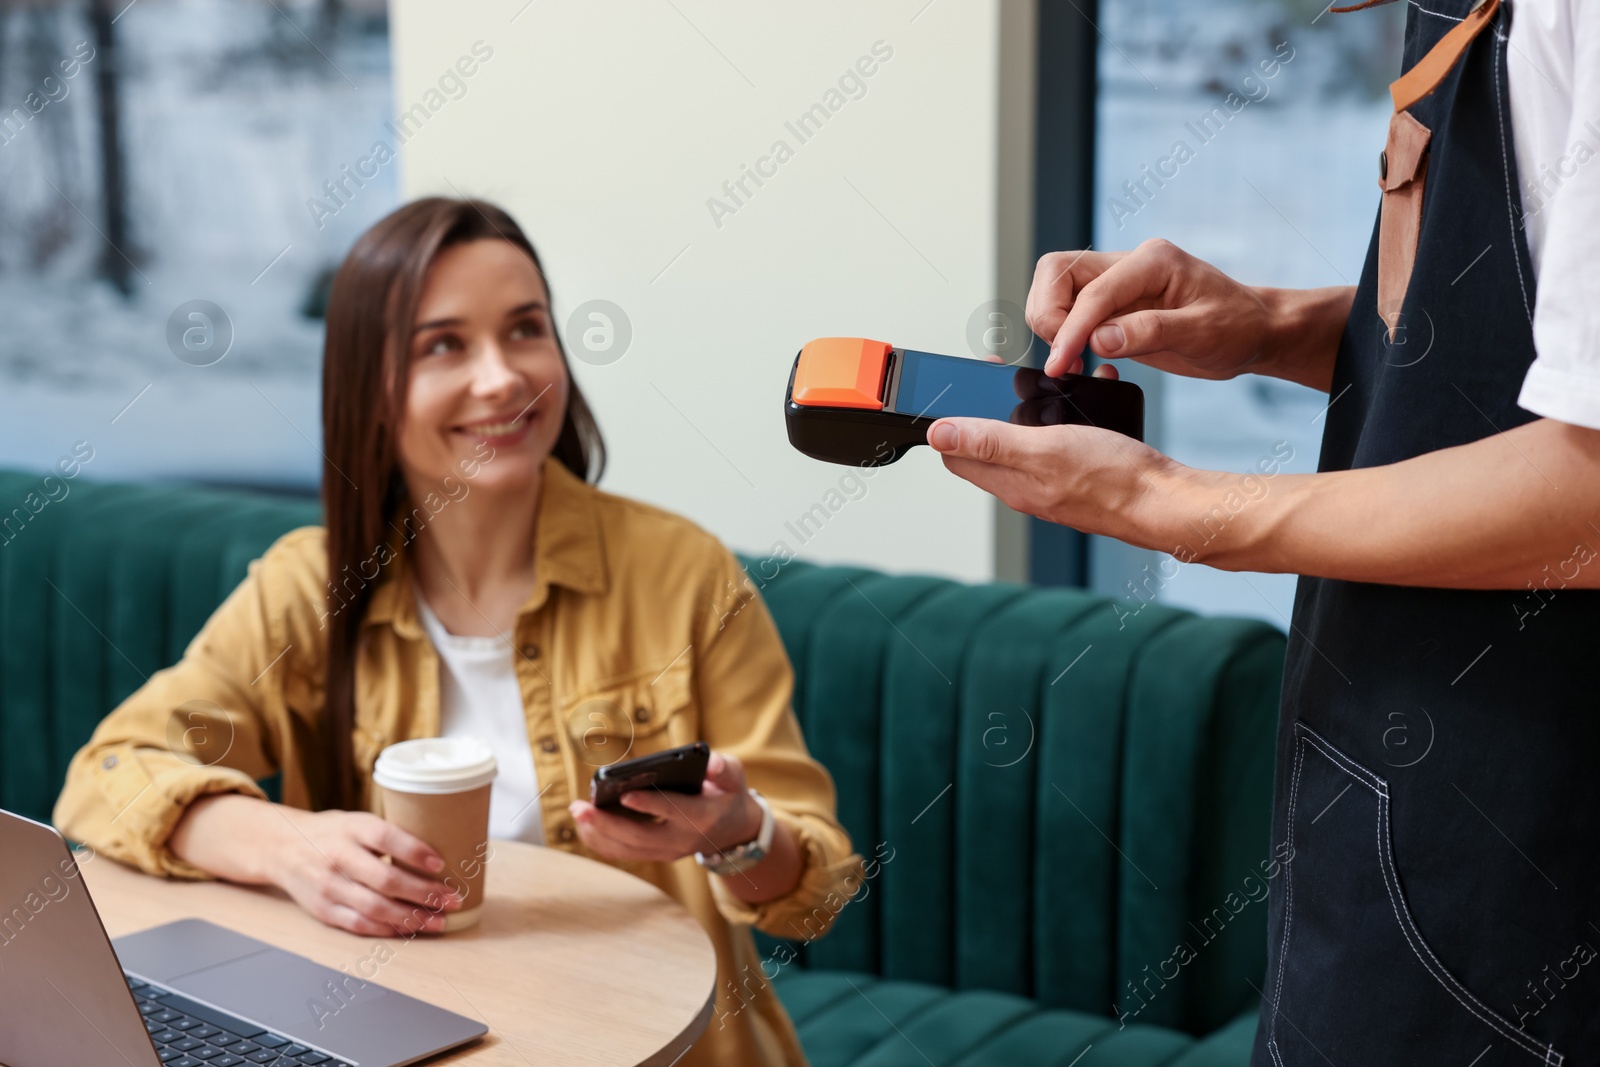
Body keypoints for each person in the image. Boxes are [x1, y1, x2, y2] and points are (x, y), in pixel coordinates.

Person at [927, 0, 1599, 1061]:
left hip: (1520, 861)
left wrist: (1171, 506)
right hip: (1370, 800)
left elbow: (1589, 490)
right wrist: (1268, 324)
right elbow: (1529, 346)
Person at [55, 197, 863, 1067]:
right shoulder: (311, 585)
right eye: (444, 344)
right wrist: (287, 847)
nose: (502, 377)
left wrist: (734, 832)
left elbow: (811, 897)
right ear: (370, 389)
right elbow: (105, 776)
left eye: (525, 330)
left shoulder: (682, 573)